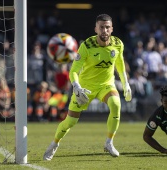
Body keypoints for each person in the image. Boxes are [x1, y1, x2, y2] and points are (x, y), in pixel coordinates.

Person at [43, 14, 132, 160]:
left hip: (106, 85)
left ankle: (109, 142)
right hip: (85, 88)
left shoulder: (118, 44)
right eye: (101, 27)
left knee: (116, 104)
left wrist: (125, 83)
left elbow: (120, 63)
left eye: (107, 27)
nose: (104, 30)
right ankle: (55, 143)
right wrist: (76, 86)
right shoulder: (86, 46)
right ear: (96, 29)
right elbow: (74, 70)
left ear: (112, 29)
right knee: (70, 122)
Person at [143, 86, 167, 154]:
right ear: (161, 101)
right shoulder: (157, 115)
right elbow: (146, 136)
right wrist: (163, 150)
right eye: (166, 102)